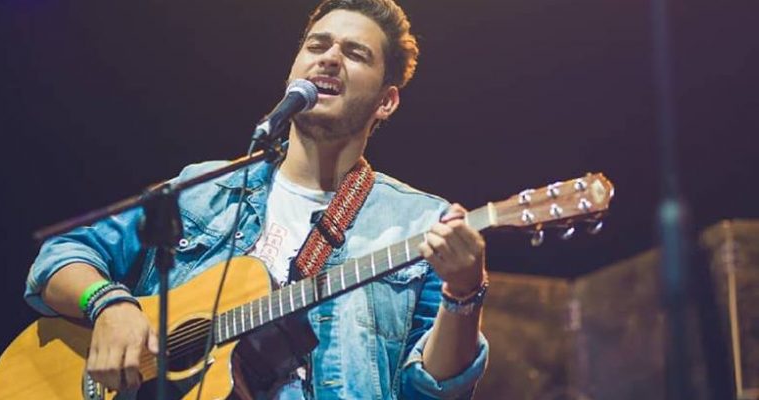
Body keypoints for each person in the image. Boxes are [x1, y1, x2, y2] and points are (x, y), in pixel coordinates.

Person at [25, 0, 489, 398]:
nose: (329, 58)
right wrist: (109, 304)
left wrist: (464, 294)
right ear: (293, 71)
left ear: (386, 101)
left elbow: (433, 390)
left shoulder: (421, 223)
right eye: (317, 45)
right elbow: (62, 255)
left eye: (355, 53)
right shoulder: (203, 188)